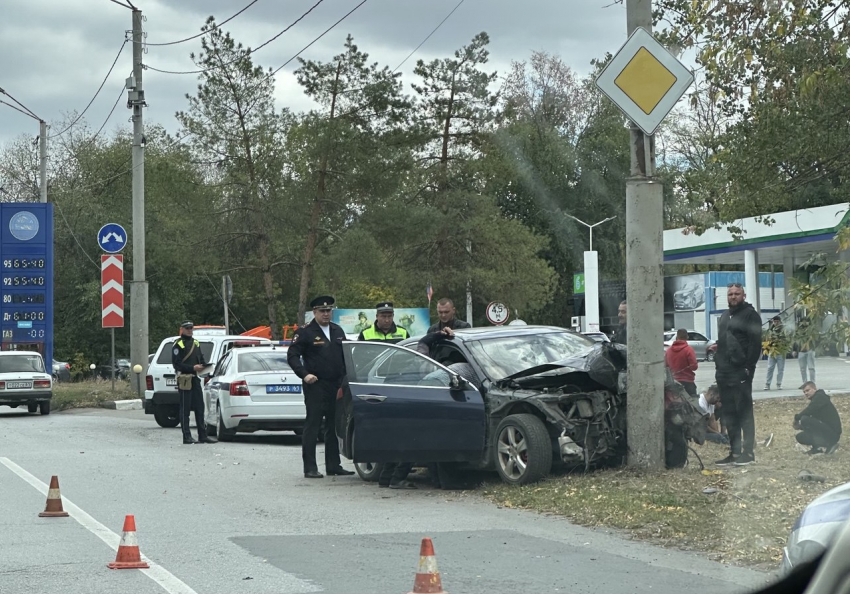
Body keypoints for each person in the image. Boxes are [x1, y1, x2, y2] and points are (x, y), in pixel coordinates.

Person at [286, 296, 354, 479]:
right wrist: (304, 374)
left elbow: (345, 357)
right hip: (315, 384)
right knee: (313, 425)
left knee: (333, 425)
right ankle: (310, 467)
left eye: (328, 310)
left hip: (335, 384)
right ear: (314, 313)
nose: (326, 314)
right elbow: (292, 356)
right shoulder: (305, 332)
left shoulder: (337, 330)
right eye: (322, 311)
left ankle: (333, 465)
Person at [358, 302, 415, 489]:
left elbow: (410, 359)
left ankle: (387, 476)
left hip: (399, 385)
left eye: (389, 315)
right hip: (375, 385)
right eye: (383, 316)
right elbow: (359, 360)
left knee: (396, 430)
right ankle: (385, 473)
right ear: (377, 316)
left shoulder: (403, 333)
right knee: (382, 430)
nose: (386, 319)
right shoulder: (366, 334)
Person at [714, 283, 763, 466]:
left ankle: (748, 453)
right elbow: (723, 341)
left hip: (741, 371)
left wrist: (748, 368)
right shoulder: (725, 316)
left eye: (736, 294)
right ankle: (734, 453)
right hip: (723, 372)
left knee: (744, 413)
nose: (733, 297)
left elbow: (755, 344)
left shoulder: (751, 315)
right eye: (730, 294)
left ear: (743, 295)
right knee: (729, 414)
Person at [171, 321, 217, 445]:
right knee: (185, 409)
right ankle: (187, 437)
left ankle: (203, 436)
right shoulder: (178, 344)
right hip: (185, 379)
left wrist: (204, 366)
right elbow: (177, 364)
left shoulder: (196, 342)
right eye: (187, 328)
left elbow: (201, 359)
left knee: (200, 408)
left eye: (191, 328)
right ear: (181, 329)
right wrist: (193, 368)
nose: (190, 330)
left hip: (195, 378)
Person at [794, 381, 842, 455]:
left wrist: (797, 418)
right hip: (826, 430)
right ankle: (817, 448)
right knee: (800, 436)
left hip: (833, 434)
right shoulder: (816, 400)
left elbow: (809, 410)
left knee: (804, 419)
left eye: (807, 390)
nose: (806, 393)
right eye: (804, 392)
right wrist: (801, 426)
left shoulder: (820, 397)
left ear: (814, 389)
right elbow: (814, 424)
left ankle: (830, 444)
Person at [665, 328, 698, 397]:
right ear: (687, 337)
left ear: (676, 337)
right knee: (691, 404)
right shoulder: (689, 350)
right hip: (688, 383)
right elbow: (694, 367)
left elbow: (666, 366)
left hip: (674, 383)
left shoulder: (668, 351)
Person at [764, 315, 789, 390]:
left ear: (780, 321)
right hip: (772, 351)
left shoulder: (783, 329)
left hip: (781, 351)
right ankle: (767, 384)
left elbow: (787, 339)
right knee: (770, 368)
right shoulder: (771, 330)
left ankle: (779, 384)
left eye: (777, 321)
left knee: (780, 369)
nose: (776, 323)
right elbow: (767, 339)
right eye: (774, 321)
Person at [793, 316, 816, 383]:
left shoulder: (812, 329)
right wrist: (794, 350)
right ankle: (805, 383)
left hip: (810, 350)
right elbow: (795, 340)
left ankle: (812, 382)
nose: (805, 322)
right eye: (803, 321)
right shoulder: (798, 329)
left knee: (811, 368)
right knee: (802, 369)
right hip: (801, 351)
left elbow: (816, 338)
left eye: (806, 321)